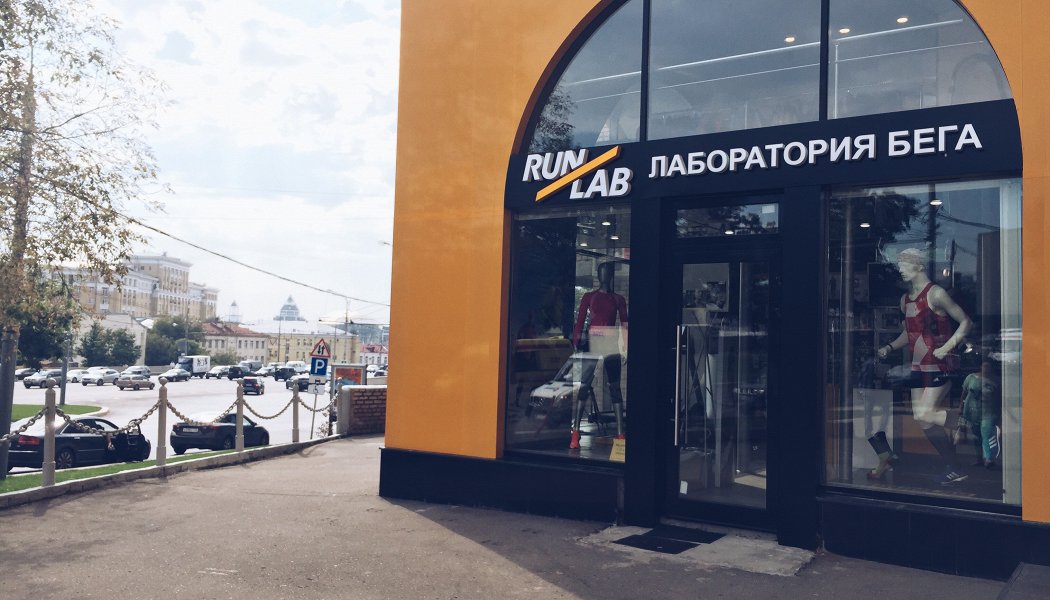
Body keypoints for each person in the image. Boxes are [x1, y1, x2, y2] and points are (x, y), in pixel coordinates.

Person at [876, 247, 972, 484]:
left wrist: (946, 347)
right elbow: (909, 333)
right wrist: (889, 347)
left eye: (904, 264)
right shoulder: (905, 300)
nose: (900, 269)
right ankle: (955, 467)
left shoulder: (936, 294)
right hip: (919, 366)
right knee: (922, 420)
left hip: (941, 364)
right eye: (899, 264)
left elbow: (965, 322)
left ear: (919, 265)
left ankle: (972, 424)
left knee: (924, 413)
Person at [569, 261, 627, 448]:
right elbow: (580, 320)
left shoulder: (618, 299)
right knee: (584, 385)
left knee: (615, 388)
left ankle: (620, 433)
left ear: (610, 276)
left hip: (610, 342)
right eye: (601, 272)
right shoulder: (589, 296)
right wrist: (576, 342)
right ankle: (575, 432)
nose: (604, 276)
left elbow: (624, 323)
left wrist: (625, 347)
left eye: (607, 272)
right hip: (593, 341)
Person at [958, 360, 1002, 469]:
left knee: (987, 433)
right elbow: (964, 393)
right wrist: (961, 406)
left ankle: (989, 458)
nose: (986, 369)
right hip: (973, 412)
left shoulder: (996, 380)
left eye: (988, 367)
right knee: (977, 435)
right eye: (984, 366)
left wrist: (1000, 412)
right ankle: (979, 458)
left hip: (989, 412)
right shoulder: (971, 378)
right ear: (980, 367)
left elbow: (999, 397)